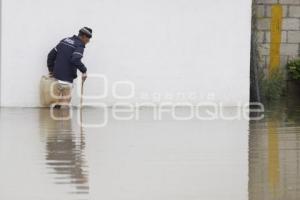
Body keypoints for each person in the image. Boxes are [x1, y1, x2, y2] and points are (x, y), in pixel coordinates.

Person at [47, 27, 92, 108]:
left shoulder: (64, 40)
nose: (88, 41)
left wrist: (51, 70)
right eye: (88, 39)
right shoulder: (79, 45)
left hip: (55, 78)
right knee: (64, 107)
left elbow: (50, 56)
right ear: (84, 36)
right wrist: (84, 71)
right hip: (66, 80)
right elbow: (75, 59)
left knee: (56, 106)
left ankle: (52, 120)